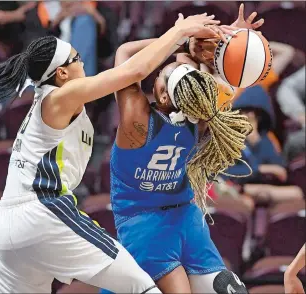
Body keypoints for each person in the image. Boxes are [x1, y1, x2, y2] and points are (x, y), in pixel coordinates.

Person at [0, 13, 223, 293]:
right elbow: (132, 70)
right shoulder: (61, 95)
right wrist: (179, 34)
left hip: (4, 228)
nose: (83, 62)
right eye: (76, 59)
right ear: (61, 73)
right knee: (141, 286)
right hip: (41, 211)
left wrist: (182, 44)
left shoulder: (46, 104)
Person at [102, 9, 258, 293]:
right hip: (162, 223)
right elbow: (202, 65)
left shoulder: (135, 118)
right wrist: (226, 42)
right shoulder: (201, 118)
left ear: (163, 94)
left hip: (158, 220)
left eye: (162, 71)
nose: (166, 65)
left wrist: (181, 39)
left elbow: (125, 53)